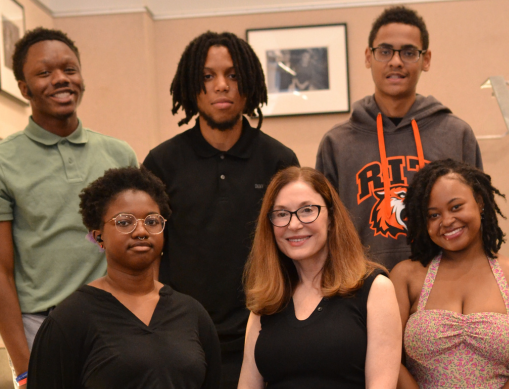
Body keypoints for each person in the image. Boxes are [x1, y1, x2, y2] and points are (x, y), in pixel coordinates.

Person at [0, 27, 138, 387]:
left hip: (117, 318)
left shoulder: (119, 155)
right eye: (44, 73)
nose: (60, 79)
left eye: (69, 69)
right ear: (24, 88)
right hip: (42, 326)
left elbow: (136, 246)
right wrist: (23, 365)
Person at [142, 31, 299, 388]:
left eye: (232, 74)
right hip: (182, 335)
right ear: (191, 87)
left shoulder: (279, 160)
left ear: (249, 83)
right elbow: (145, 252)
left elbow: (296, 249)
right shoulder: (161, 163)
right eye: (208, 77)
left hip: (266, 330)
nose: (221, 86)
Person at [316, 6, 482, 270]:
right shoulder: (337, 144)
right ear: (369, 57)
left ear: (425, 59)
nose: (395, 62)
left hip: (444, 285)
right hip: (361, 288)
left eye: (408, 52)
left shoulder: (456, 134)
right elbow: (324, 229)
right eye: (384, 51)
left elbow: (477, 220)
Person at [27, 167, 221, 388]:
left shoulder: (192, 314)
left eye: (152, 221)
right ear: (98, 237)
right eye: (124, 222)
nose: (141, 231)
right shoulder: (70, 320)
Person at [390, 159, 509, 388]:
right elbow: (388, 357)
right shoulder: (406, 276)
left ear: (479, 201)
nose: (446, 221)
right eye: (433, 215)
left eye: (456, 207)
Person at [238, 166, 402, 389]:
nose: (294, 225)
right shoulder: (267, 299)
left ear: (332, 218)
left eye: (307, 210)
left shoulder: (375, 288)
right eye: (282, 214)